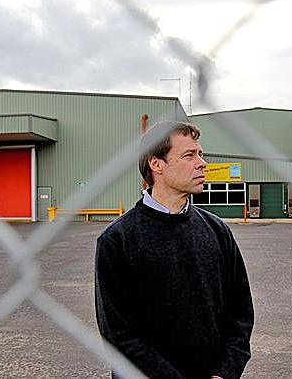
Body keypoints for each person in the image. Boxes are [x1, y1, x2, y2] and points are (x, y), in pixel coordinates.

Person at [95, 120, 254, 379]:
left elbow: (241, 312)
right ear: (156, 164)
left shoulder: (217, 230)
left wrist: (225, 372)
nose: (202, 163)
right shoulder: (117, 240)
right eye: (189, 155)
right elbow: (119, 335)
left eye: (200, 154)